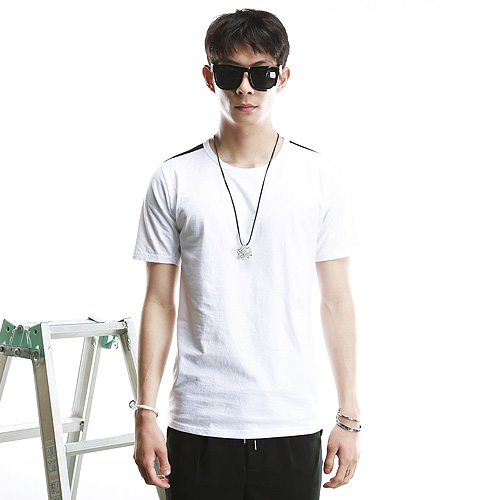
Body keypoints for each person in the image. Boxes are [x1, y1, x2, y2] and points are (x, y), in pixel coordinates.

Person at [131, 8, 361, 500]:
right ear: (208, 76)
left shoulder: (321, 178)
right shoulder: (173, 178)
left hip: (291, 421)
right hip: (199, 423)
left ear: (284, 78)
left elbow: (337, 300)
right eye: (230, 73)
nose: (244, 88)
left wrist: (349, 416)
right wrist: (144, 413)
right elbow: (158, 301)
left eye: (261, 74)